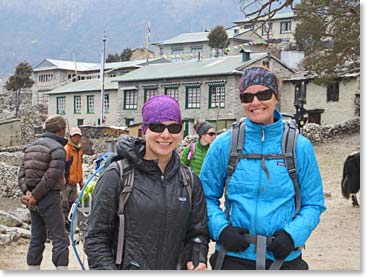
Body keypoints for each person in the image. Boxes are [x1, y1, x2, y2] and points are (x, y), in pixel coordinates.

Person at [200, 66, 326, 270]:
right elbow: (204, 196)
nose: (255, 102)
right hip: (234, 257)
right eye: (247, 97)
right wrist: (221, 230)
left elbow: (314, 203)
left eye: (263, 94)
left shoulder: (299, 147)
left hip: (284, 258)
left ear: (276, 96)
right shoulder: (225, 144)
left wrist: (292, 235)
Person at [84, 95, 209, 270]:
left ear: (181, 132)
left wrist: (197, 257)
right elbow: (95, 238)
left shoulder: (189, 181)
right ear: (145, 130)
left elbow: (198, 233)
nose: (166, 135)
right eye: (157, 126)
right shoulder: (118, 176)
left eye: (174, 127)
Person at [18, 115, 69, 270]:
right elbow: (51, 176)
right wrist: (35, 195)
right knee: (60, 237)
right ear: (62, 130)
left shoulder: (30, 147)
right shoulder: (58, 149)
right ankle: (62, 270)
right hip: (49, 197)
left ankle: (33, 270)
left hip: (32, 199)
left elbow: (21, 174)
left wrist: (28, 192)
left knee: (37, 237)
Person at [63, 126, 84, 231]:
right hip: (66, 183)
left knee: (73, 205)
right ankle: (64, 226)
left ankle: (70, 225)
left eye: (78, 136)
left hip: (74, 183)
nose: (77, 138)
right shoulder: (67, 149)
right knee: (64, 204)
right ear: (71, 137)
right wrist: (62, 178)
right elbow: (62, 165)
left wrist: (81, 180)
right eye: (74, 136)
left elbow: (79, 166)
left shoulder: (79, 150)